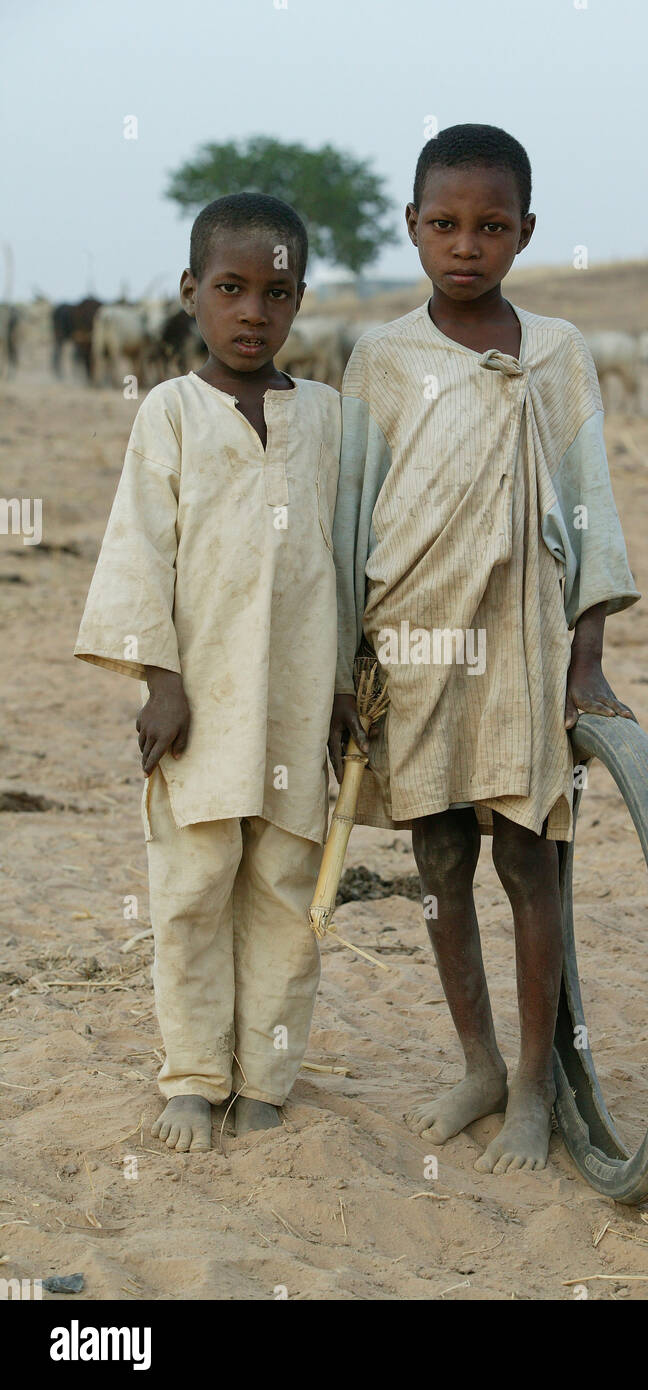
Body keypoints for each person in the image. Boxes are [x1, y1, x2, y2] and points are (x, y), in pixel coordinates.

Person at [329, 125, 640, 1175]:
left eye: (491, 225)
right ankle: (477, 1059)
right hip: (412, 638)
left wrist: (585, 657)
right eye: (445, 224)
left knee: (528, 857)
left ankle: (536, 1086)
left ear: (525, 232)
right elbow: (350, 511)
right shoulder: (379, 355)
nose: (467, 244)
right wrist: (346, 662)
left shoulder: (555, 349)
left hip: (521, 638)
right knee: (440, 858)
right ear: (413, 229)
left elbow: (589, 505)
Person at [75, 193, 340, 1152]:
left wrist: (347, 692)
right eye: (229, 288)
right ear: (191, 293)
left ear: (300, 299)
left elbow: (348, 563)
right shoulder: (170, 414)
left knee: (286, 894)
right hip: (200, 708)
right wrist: (162, 681)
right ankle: (191, 1074)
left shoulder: (330, 421)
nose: (251, 312)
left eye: (275, 292)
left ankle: (265, 1077)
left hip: (298, 707)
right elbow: (140, 551)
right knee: (191, 893)